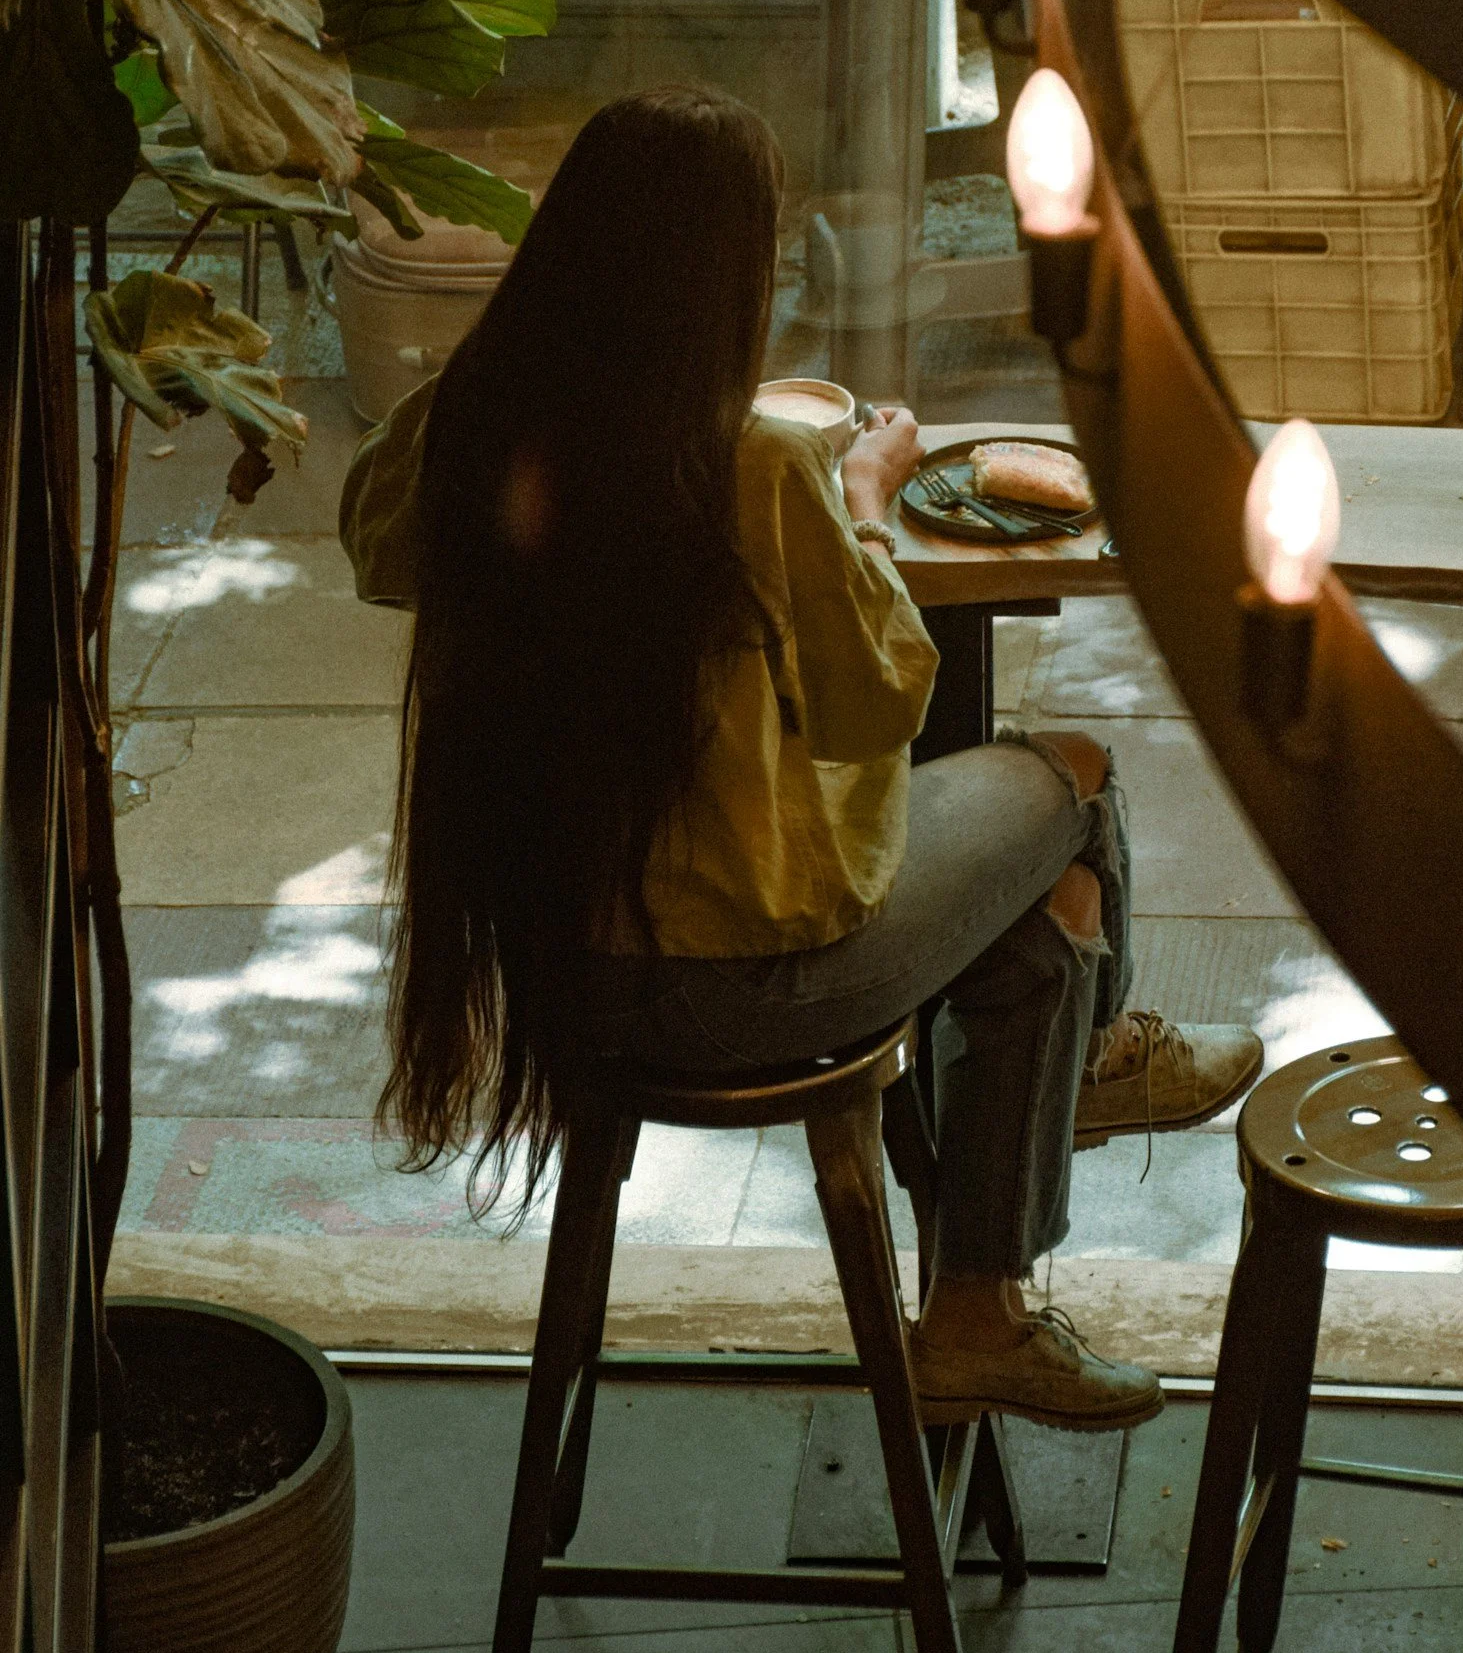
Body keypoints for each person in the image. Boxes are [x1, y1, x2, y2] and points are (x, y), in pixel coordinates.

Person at [340, 86, 1262, 1429]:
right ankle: (1049, 1161)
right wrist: (866, 500)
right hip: (743, 983)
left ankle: (1032, 1163)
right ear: (721, 283)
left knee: (1031, 933)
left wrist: (521, 362)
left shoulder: (472, 426)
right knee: (1074, 776)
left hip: (562, 963)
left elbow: (377, 548)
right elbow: (878, 699)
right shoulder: (757, 464)